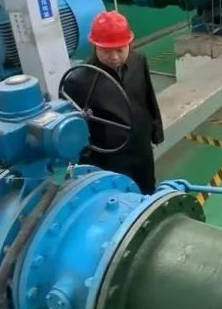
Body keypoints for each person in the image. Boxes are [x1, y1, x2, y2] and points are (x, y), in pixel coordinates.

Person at [62, 10, 163, 193]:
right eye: (107, 51)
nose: (115, 56)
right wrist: (86, 162)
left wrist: (156, 131)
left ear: (128, 44)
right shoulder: (79, 81)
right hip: (110, 156)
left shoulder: (138, 60)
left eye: (120, 49)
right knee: (120, 195)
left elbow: (148, 97)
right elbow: (75, 129)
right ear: (95, 46)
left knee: (147, 187)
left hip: (141, 145)